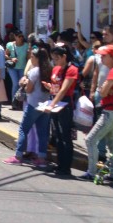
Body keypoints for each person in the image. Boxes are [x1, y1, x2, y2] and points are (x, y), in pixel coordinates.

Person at [80, 45, 113, 180]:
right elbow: (106, 91)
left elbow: (103, 92)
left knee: (90, 140)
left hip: (109, 112)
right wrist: (105, 90)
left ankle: (91, 172)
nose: (101, 58)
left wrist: (104, 90)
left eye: (104, 55)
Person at [4, 44, 52, 168]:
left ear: (37, 58)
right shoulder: (49, 70)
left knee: (23, 129)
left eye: (32, 57)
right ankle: (41, 158)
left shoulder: (34, 71)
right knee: (42, 132)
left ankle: (18, 156)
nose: (31, 59)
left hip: (33, 104)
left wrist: (24, 84)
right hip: (45, 104)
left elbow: (29, 90)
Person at [42, 43, 79, 177]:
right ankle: (59, 164)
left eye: (57, 58)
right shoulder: (56, 69)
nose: (55, 61)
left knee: (65, 136)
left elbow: (64, 90)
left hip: (65, 104)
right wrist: (49, 87)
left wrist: (52, 104)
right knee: (57, 135)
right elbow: (56, 87)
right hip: (55, 101)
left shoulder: (72, 70)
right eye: (53, 58)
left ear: (64, 56)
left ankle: (66, 167)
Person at [5, 30, 29, 109]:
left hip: (22, 67)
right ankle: (14, 102)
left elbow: (28, 58)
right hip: (12, 68)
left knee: (21, 85)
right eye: (19, 36)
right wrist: (11, 59)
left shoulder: (26, 46)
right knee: (15, 83)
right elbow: (5, 55)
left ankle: (20, 102)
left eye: (22, 36)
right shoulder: (10, 45)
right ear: (15, 37)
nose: (21, 38)